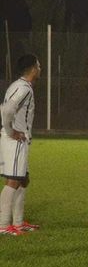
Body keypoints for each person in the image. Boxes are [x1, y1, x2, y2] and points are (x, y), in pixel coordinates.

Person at [0, 54, 42, 236]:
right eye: (39, 66)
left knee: (23, 179)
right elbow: (7, 109)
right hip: (15, 140)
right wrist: (11, 131)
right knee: (14, 180)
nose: (40, 69)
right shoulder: (23, 88)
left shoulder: (19, 86)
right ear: (33, 68)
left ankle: (18, 223)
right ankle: (3, 225)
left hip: (17, 140)